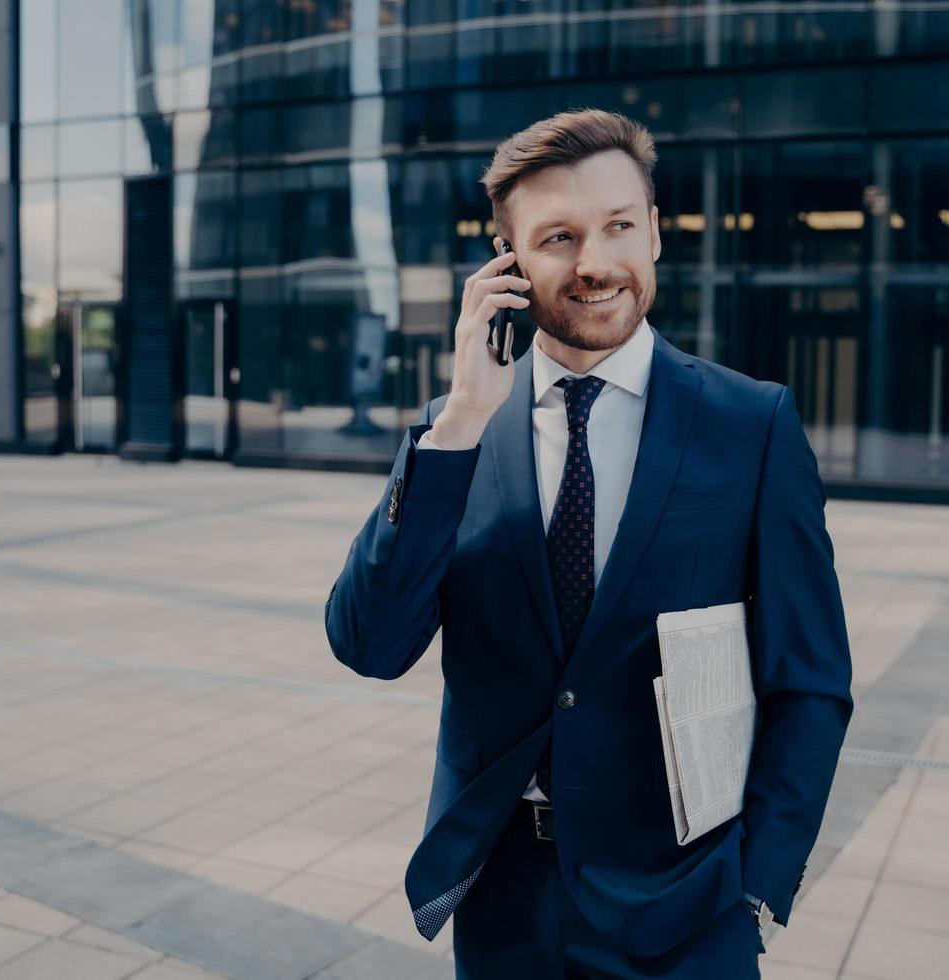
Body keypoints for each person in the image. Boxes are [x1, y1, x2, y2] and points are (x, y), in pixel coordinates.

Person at [325, 108, 853, 979]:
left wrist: (758, 883)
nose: (595, 263)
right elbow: (371, 646)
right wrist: (459, 419)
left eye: (617, 226)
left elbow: (811, 680)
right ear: (508, 261)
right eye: (559, 238)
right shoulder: (460, 433)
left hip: (686, 901)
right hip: (503, 903)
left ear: (654, 231)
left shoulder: (750, 425)